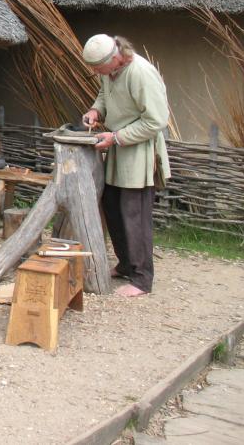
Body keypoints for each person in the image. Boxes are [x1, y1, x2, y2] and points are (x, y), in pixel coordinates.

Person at [82, 34, 170, 298]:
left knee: (135, 214)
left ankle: (142, 278)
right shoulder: (109, 72)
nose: (97, 73)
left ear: (116, 58)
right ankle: (125, 264)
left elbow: (156, 121)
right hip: (119, 148)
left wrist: (117, 137)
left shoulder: (141, 73)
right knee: (112, 205)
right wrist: (95, 111)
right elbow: (103, 95)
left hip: (139, 151)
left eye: (99, 68)